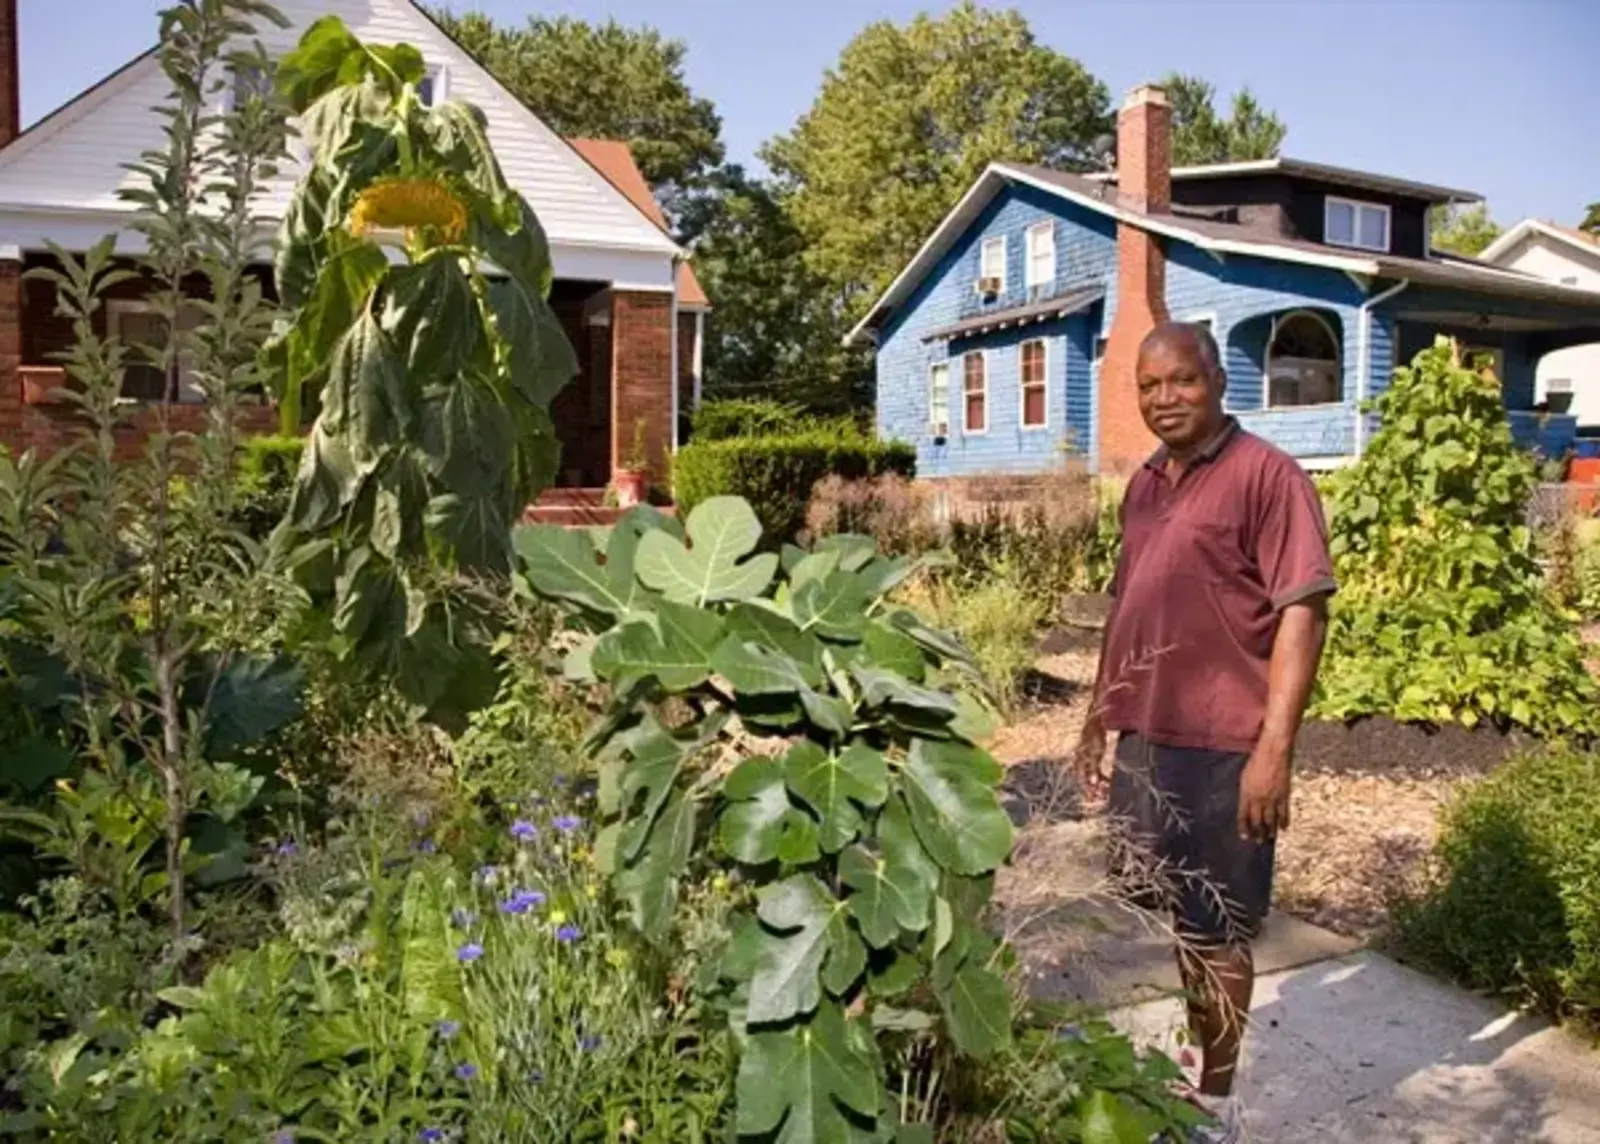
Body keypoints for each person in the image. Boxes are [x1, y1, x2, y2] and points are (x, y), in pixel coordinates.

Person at [1072, 321, 1334, 1144]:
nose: (1163, 399)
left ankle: (1215, 1108)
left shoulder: (1268, 476)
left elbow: (1303, 611)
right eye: (1149, 387)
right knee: (1181, 919)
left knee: (1219, 928)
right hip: (1150, 736)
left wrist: (1274, 751)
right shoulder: (1147, 483)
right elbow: (1130, 604)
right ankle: (1198, 1070)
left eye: (1180, 381)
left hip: (1226, 745)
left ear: (1219, 379)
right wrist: (1095, 718)